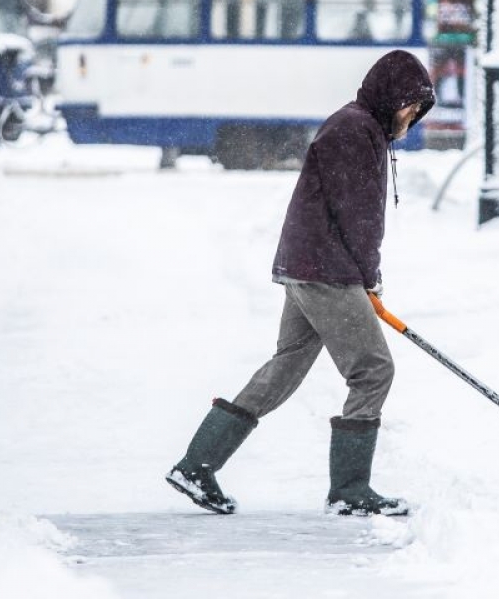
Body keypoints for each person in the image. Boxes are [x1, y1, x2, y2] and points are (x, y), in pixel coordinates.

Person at [167, 49, 435, 517]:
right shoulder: (355, 131)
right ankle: (350, 489)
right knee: (373, 369)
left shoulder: (358, 127)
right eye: (412, 104)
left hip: (309, 264)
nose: (413, 115)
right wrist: (366, 279)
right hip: (327, 269)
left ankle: (196, 465)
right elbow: (357, 217)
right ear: (393, 97)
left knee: (287, 366)